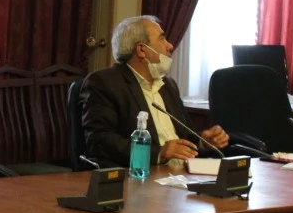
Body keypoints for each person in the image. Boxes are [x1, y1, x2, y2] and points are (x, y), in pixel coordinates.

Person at [81, 15, 230, 168]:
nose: (170, 45)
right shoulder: (105, 82)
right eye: (162, 39)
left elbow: (183, 136)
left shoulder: (169, 85)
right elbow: (99, 140)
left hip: (183, 174)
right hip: (142, 174)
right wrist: (159, 153)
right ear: (141, 49)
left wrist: (203, 142)